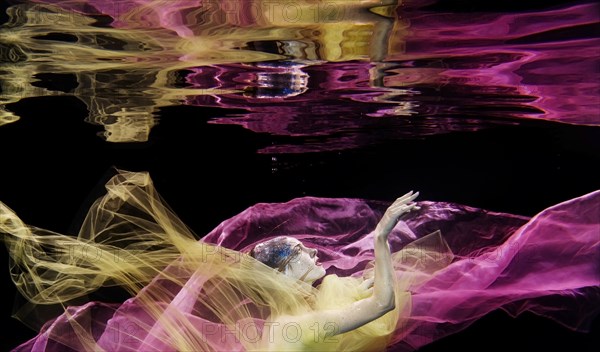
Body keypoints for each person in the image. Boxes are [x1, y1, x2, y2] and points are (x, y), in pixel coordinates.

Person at [1, 170, 598, 351]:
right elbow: (384, 302)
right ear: (280, 278)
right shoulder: (291, 327)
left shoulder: (304, 303)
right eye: (298, 255)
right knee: (483, 272)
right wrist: (386, 236)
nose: (313, 251)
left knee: (482, 270)